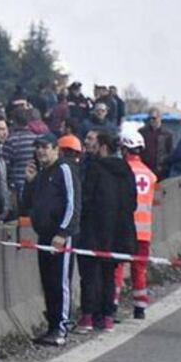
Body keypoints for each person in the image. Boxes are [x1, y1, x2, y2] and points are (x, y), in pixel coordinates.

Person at [74, 130, 136, 334]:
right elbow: (132, 201)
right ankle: (107, 317)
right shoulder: (125, 169)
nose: (86, 143)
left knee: (90, 275)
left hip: (93, 231)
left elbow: (87, 199)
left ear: (102, 146)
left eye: (91, 139)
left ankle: (88, 317)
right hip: (118, 232)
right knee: (109, 274)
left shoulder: (94, 168)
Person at [21, 133, 81, 346]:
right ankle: (52, 325)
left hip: (60, 236)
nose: (41, 151)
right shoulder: (42, 174)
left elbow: (73, 203)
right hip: (44, 235)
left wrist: (63, 233)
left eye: (45, 147)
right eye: (38, 147)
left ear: (56, 149)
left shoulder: (64, 169)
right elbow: (28, 204)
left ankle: (61, 327)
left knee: (60, 281)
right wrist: (29, 183)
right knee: (48, 282)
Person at [120, 131, 157, 319]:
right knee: (139, 269)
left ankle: (111, 306)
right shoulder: (150, 175)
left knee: (117, 267)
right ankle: (140, 307)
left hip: (124, 229)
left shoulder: (122, 171)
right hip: (144, 231)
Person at [4, 107, 37, 214]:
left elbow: (5, 167)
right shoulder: (36, 139)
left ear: (14, 121)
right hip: (33, 186)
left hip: (16, 188)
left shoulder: (11, 141)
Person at [139, 109, 173, 178]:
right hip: (145, 169)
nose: (151, 120)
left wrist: (164, 164)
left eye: (154, 118)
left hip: (160, 170)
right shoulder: (142, 132)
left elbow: (170, 152)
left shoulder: (167, 134)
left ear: (159, 118)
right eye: (149, 118)